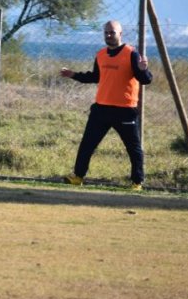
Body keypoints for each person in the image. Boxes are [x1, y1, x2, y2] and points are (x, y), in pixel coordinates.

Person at [60, 20, 152, 190]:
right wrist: (73, 74)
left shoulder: (131, 54)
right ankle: (78, 176)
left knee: (133, 149)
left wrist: (143, 69)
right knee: (87, 144)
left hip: (125, 110)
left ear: (120, 34)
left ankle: (137, 182)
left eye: (112, 32)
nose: (109, 35)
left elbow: (145, 80)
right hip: (101, 108)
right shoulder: (101, 54)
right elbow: (95, 77)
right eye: (106, 33)